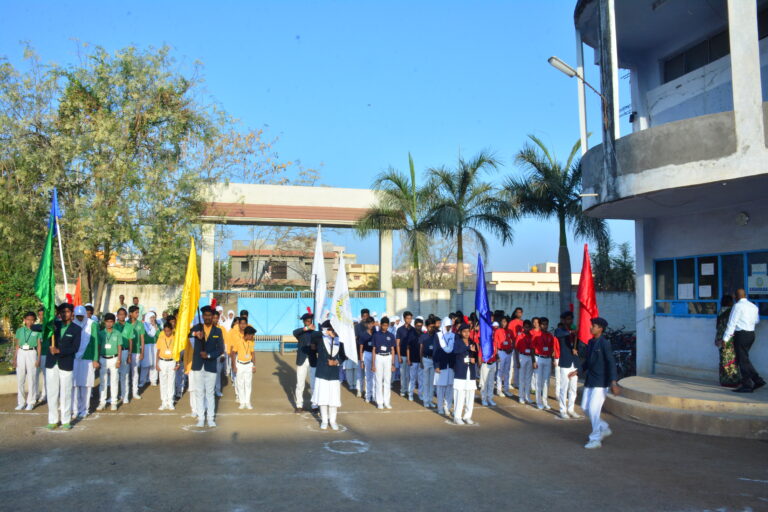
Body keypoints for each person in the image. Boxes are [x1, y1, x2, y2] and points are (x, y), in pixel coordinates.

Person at [572, 317, 619, 449]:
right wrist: (578, 371)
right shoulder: (591, 342)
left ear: (600, 329)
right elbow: (588, 361)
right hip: (590, 380)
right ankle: (603, 427)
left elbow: (611, 362)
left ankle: (595, 439)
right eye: (591, 325)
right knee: (585, 408)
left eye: (594, 326)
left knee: (593, 409)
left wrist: (613, 382)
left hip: (601, 382)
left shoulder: (605, 343)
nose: (591, 327)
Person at [44, 303, 81, 430]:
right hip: (51, 363)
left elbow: (75, 348)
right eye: (62, 312)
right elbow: (41, 328)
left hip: (66, 364)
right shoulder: (54, 326)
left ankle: (66, 420)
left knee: (65, 393)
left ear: (72, 314)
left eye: (67, 311)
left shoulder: (76, 329)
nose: (65, 314)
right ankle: (53, 420)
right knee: (52, 392)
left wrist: (59, 351)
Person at [720, 289, 763, 393]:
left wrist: (725, 338)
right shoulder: (753, 306)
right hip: (751, 334)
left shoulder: (737, 306)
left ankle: (747, 385)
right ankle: (757, 380)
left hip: (741, 335)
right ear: (745, 295)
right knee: (744, 359)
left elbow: (732, 323)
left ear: (735, 296)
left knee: (742, 360)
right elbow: (757, 320)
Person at [190, 305, 225, 428]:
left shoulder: (218, 331)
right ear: (203, 316)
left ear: (213, 317)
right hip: (198, 365)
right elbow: (185, 333)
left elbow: (221, 349)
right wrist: (195, 334)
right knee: (199, 392)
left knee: (210, 393)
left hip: (211, 365)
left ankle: (210, 418)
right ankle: (201, 418)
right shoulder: (197, 327)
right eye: (205, 315)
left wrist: (209, 355)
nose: (207, 317)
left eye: (209, 315)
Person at [311, 320, 347, 429]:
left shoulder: (339, 341)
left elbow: (343, 356)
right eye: (331, 328)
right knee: (323, 398)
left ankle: (333, 421)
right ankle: (324, 421)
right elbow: (312, 335)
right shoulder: (321, 338)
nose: (333, 331)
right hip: (322, 373)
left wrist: (336, 362)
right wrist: (325, 333)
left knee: (333, 399)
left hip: (334, 374)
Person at [72, 305, 98, 420]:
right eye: (78, 316)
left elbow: (95, 342)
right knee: (75, 385)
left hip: (88, 358)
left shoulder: (92, 324)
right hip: (74, 358)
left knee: (86, 385)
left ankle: (85, 409)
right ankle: (75, 409)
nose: (80, 318)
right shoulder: (72, 324)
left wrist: (95, 359)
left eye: (82, 316)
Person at [555, 311, 581, 419]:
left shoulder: (575, 331)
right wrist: (571, 332)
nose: (570, 321)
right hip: (565, 362)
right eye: (568, 319)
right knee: (564, 388)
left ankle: (571, 409)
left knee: (573, 388)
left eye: (571, 319)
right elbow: (559, 335)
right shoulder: (560, 330)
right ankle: (563, 410)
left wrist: (577, 349)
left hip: (574, 362)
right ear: (563, 320)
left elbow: (579, 344)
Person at [13, 312, 41, 411]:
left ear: (34, 320)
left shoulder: (37, 331)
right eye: (28, 319)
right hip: (21, 352)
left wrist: (38, 359)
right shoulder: (20, 330)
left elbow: (39, 346)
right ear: (24, 320)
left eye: (32, 320)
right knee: (20, 378)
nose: (30, 321)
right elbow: (17, 345)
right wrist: (15, 358)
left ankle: (31, 401)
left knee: (32, 378)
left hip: (32, 353)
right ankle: (21, 402)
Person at [452, 323, 478, 425]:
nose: (467, 333)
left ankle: (467, 416)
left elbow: (475, 355)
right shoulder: (457, 342)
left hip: (470, 372)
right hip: (460, 371)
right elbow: (456, 351)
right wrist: (467, 348)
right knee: (459, 394)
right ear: (460, 332)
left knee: (470, 394)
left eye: (468, 331)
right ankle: (457, 416)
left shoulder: (472, 342)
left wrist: (474, 359)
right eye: (464, 331)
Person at [293, 313, 320, 412]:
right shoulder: (300, 333)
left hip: (312, 360)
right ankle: (299, 405)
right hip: (301, 360)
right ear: (304, 322)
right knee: (300, 384)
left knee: (314, 383)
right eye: (307, 322)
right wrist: (306, 328)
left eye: (310, 321)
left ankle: (314, 405)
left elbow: (319, 347)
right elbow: (294, 332)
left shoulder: (315, 333)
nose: (308, 323)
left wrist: (316, 348)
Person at [96, 313, 122, 411]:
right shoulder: (101, 333)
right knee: (103, 381)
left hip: (114, 358)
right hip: (103, 358)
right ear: (104, 322)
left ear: (114, 322)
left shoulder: (117, 333)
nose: (109, 323)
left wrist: (119, 359)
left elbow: (119, 347)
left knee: (114, 381)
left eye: (111, 321)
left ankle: (114, 402)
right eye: (107, 321)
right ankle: (102, 402)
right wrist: (97, 359)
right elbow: (98, 346)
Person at [714, 295, 740, 387]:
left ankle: (723, 380)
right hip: (728, 338)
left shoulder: (720, 310)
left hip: (719, 338)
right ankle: (731, 380)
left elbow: (718, 326)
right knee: (730, 359)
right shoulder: (731, 312)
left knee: (723, 359)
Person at [372, 316, 396, 410]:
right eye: (383, 325)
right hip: (379, 357)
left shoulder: (391, 335)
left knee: (387, 380)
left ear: (388, 325)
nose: (385, 327)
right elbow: (373, 349)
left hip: (388, 357)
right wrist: (373, 364)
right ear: (381, 325)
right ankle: (380, 402)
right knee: (378, 380)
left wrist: (393, 364)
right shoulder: (376, 335)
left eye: (387, 325)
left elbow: (393, 350)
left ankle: (387, 402)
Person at [123, 305, 145, 401]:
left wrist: (142, 352)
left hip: (136, 352)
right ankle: (125, 393)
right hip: (126, 351)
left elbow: (142, 339)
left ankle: (135, 392)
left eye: (138, 312)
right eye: (136, 312)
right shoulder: (125, 323)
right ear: (130, 314)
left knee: (135, 372)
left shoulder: (140, 324)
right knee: (126, 373)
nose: (138, 314)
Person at [532, 317, 555, 411]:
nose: (545, 326)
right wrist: (534, 361)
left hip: (548, 359)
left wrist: (552, 360)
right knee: (538, 381)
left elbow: (552, 349)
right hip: (539, 358)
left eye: (546, 324)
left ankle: (545, 402)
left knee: (546, 381)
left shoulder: (550, 335)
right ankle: (539, 402)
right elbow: (533, 349)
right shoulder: (536, 335)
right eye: (543, 324)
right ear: (539, 325)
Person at [434, 316, 455, 416]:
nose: (448, 328)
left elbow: (454, 351)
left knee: (449, 387)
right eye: (447, 326)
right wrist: (436, 365)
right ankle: (440, 407)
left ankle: (447, 407)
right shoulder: (438, 335)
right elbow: (435, 351)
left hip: (450, 366)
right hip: (441, 365)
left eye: (450, 326)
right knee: (440, 387)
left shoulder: (453, 335)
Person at [232, 326, 257, 410]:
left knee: (248, 384)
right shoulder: (238, 341)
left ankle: (247, 402)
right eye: (252, 335)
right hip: (240, 365)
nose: (252, 337)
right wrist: (234, 366)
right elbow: (233, 353)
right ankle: (242, 402)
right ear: (247, 334)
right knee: (240, 384)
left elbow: (253, 353)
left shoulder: (251, 342)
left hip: (248, 365)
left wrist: (254, 365)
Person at [155, 323, 178, 410]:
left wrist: (178, 363)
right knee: (163, 382)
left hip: (172, 361)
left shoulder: (175, 339)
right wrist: (157, 363)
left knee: (171, 382)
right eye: (165, 331)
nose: (167, 333)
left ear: (172, 330)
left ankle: (170, 402)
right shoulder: (161, 338)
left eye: (168, 331)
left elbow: (177, 352)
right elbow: (158, 351)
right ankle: (164, 402)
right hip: (162, 361)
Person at [396, 312, 417, 398]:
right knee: (403, 373)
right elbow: (397, 344)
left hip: (411, 356)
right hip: (403, 355)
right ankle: (403, 390)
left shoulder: (413, 329)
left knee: (410, 375)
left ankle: (409, 390)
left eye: (410, 318)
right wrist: (399, 356)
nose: (409, 320)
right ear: (404, 319)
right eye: (408, 318)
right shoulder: (400, 329)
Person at [419, 317, 438, 408]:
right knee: (426, 382)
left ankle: (430, 400)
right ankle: (425, 400)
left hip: (434, 360)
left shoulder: (436, 336)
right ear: (426, 327)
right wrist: (421, 361)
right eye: (430, 326)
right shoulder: (423, 336)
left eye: (433, 326)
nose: (432, 328)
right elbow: (421, 349)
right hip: (426, 359)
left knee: (432, 382)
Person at [478, 323, 499, 407]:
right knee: (484, 383)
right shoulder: (484, 343)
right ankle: (484, 399)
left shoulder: (494, 343)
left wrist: (497, 357)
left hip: (493, 364)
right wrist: (479, 362)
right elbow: (480, 353)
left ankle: (490, 398)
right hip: (485, 364)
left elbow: (495, 352)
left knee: (491, 382)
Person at [515, 320, 535, 405]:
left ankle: (527, 396)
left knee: (528, 378)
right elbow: (516, 349)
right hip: (522, 356)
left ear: (530, 328)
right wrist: (517, 361)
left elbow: (533, 349)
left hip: (529, 357)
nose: (527, 328)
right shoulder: (520, 336)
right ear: (523, 327)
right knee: (522, 378)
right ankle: (521, 397)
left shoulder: (532, 336)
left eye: (528, 327)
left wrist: (533, 360)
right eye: (525, 327)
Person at [494, 317, 514, 398]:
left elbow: (514, 340)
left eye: (505, 322)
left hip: (508, 352)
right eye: (502, 322)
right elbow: (495, 343)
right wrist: (496, 354)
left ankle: (506, 389)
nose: (503, 323)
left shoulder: (510, 331)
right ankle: (499, 390)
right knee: (500, 371)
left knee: (507, 371)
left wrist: (511, 348)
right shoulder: (498, 331)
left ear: (507, 323)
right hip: (501, 352)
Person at [357, 317, 376, 403]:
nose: (370, 325)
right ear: (366, 324)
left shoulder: (376, 333)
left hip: (376, 355)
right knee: (368, 376)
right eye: (368, 323)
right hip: (367, 354)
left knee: (375, 377)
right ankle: (368, 395)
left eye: (372, 323)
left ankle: (374, 395)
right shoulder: (363, 334)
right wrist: (361, 361)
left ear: (374, 323)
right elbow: (361, 349)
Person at [405, 316, 424, 401]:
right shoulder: (410, 334)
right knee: (412, 378)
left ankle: (420, 394)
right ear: (415, 325)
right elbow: (408, 347)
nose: (419, 327)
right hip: (413, 360)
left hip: (421, 361)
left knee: (421, 379)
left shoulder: (423, 334)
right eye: (418, 325)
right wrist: (408, 359)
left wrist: (422, 360)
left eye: (420, 325)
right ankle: (410, 394)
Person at [141, 312, 159, 387]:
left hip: (155, 346)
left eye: (154, 317)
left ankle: (153, 380)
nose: (153, 319)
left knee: (154, 364)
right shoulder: (143, 325)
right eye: (151, 317)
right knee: (145, 364)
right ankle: (142, 381)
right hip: (146, 346)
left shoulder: (156, 326)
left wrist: (155, 326)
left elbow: (159, 335)